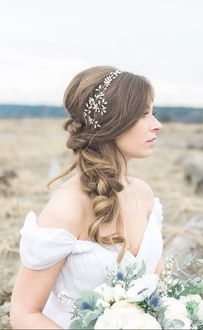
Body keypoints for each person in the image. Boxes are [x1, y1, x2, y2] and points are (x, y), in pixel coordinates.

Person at [10, 66, 164, 329]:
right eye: (144, 115)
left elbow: (159, 287)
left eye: (154, 113)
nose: (157, 125)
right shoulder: (67, 207)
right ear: (113, 122)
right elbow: (24, 314)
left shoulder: (144, 193)